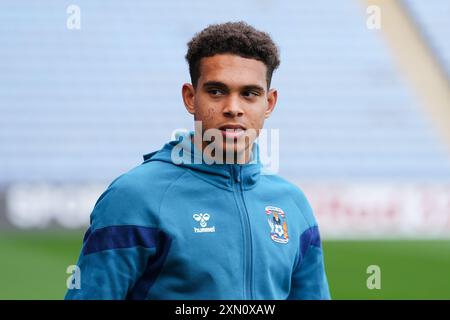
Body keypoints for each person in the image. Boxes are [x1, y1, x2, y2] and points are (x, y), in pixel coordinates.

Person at [65, 21, 330, 300]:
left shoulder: (293, 204)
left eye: (249, 94)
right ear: (191, 98)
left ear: (269, 104)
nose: (233, 108)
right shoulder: (135, 197)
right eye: (216, 91)